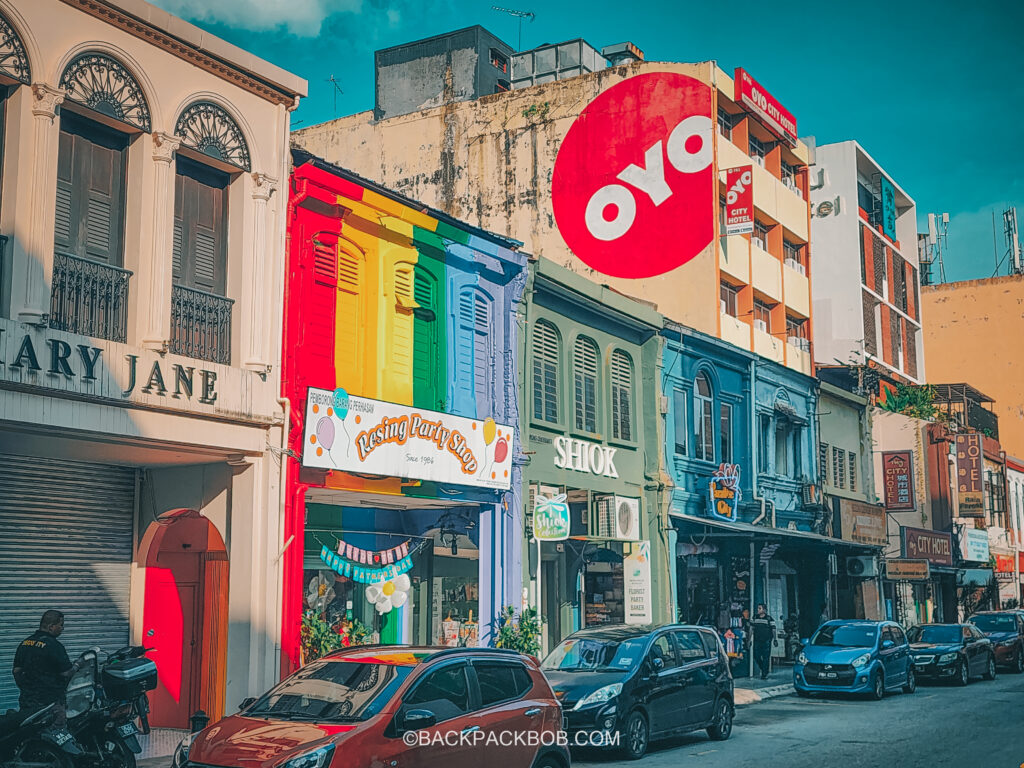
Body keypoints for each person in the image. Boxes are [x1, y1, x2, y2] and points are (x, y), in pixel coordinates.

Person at [12, 610, 83, 751]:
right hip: (51, 703)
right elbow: (66, 673)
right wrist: (77, 665)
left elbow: (16, 671)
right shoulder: (54, 646)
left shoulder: (25, 643)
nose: (62, 628)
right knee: (57, 738)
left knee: (30, 736)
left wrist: (26, 688)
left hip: (28, 702)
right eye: (61, 625)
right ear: (51, 627)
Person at [750, 603, 776, 680]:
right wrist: (749, 639)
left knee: (766, 658)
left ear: (764, 610)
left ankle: (764, 673)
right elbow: (751, 628)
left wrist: (775, 639)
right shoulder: (755, 617)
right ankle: (764, 669)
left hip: (766, 641)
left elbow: (773, 629)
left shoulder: (769, 619)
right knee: (756, 656)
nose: (758, 610)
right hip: (757, 641)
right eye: (758, 608)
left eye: (760, 608)